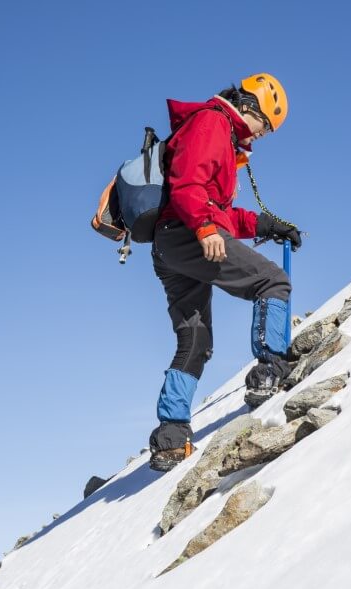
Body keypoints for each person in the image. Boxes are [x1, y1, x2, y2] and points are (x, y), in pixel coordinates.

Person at [148, 73, 302, 472]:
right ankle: (271, 367)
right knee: (273, 281)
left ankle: (170, 436)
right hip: (187, 233)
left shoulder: (217, 132)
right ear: (251, 107)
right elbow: (187, 185)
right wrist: (202, 227)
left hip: (171, 244)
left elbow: (221, 212)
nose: (261, 135)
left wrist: (267, 225)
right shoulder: (212, 122)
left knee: (195, 340)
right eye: (264, 126)